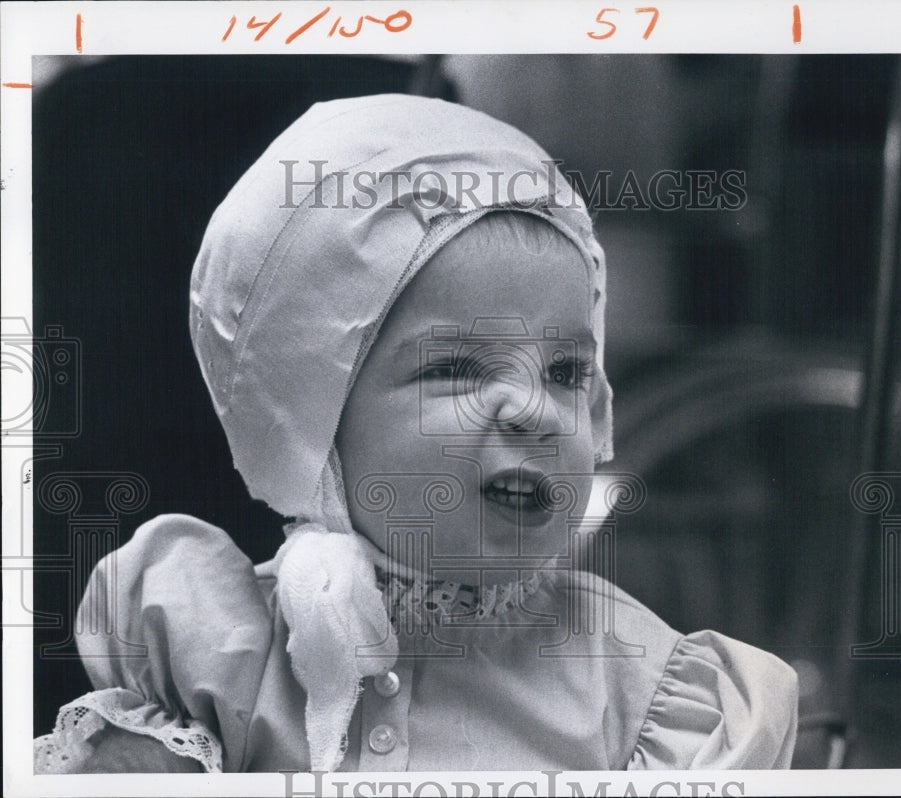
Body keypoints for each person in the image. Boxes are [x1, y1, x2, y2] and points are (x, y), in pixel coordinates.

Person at [34, 94, 798, 774]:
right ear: (315, 424)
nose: (533, 408)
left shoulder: (638, 684)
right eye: (460, 369)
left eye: (566, 372)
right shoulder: (220, 648)